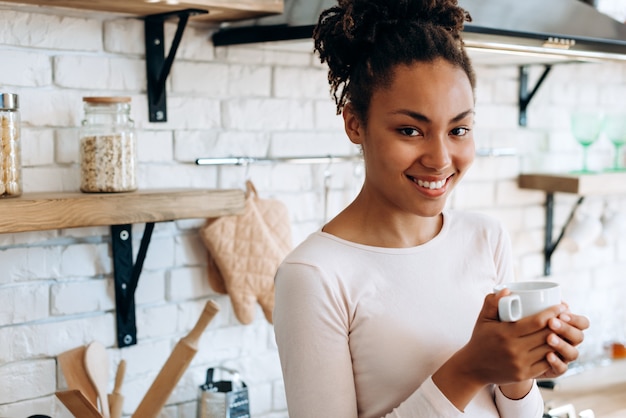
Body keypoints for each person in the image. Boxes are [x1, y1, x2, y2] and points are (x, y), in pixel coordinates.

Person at [273, 0, 590, 417]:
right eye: (410, 130)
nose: (440, 159)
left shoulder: (486, 237)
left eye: (458, 129)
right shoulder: (314, 275)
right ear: (355, 123)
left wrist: (518, 369)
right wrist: (469, 369)